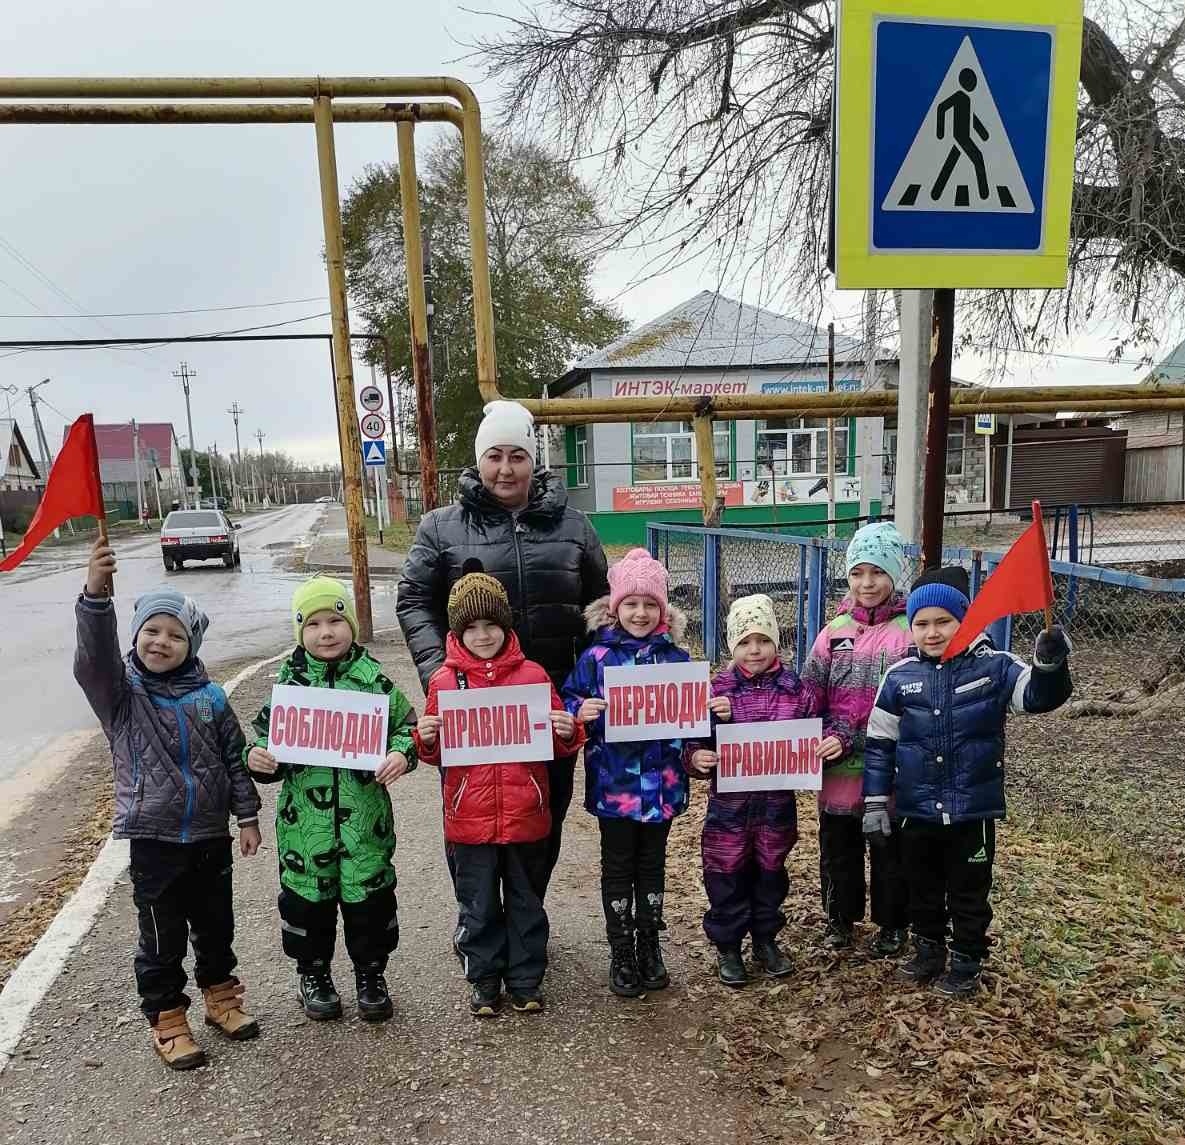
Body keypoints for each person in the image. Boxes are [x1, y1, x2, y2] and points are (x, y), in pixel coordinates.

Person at [397, 400, 609, 887]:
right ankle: (478, 921)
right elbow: (413, 601)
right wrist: (439, 674)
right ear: (479, 460)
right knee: (470, 816)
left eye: (518, 455)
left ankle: (526, 917)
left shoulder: (574, 527)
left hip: (548, 707)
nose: (506, 468)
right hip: (470, 709)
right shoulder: (440, 527)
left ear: (534, 462)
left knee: (541, 816)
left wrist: (591, 682)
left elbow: (602, 606)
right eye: (495, 456)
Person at [73, 540, 262, 1071]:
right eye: (152, 630)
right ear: (135, 636)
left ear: (192, 644)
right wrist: (94, 598)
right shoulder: (122, 695)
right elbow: (93, 661)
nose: (162, 641)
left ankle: (221, 998)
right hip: (154, 842)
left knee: (216, 925)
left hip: (210, 837)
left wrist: (246, 817)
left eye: (176, 635)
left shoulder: (212, 698)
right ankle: (168, 1018)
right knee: (161, 937)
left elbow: (234, 760)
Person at [862, 566, 1072, 997]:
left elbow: (1037, 697)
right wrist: (876, 802)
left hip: (971, 810)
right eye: (922, 623)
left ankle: (968, 957)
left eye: (944, 621)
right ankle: (929, 947)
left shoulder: (995, 667)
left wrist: (1049, 664)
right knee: (921, 884)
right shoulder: (899, 677)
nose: (932, 632)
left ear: (964, 619)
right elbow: (879, 743)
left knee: (969, 888)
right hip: (916, 810)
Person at [244, 577, 417, 1024]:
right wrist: (258, 758)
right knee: (307, 906)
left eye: (336, 620)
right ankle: (313, 974)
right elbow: (264, 741)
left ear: (351, 626)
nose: (326, 632)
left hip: (366, 823)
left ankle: (371, 974)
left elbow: (408, 728)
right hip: (305, 827)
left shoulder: (374, 681)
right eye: (314, 623)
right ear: (300, 632)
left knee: (370, 905)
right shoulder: (289, 685)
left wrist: (401, 753)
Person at [414, 569, 584, 1017]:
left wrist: (568, 730)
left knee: (527, 902)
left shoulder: (533, 675)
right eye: (471, 627)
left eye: (491, 625)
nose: (483, 635)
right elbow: (434, 754)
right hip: (469, 820)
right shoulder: (444, 683)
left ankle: (526, 980)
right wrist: (427, 738)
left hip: (526, 813)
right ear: (457, 631)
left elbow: (560, 738)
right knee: (479, 905)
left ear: (506, 626)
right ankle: (485, 982)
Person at [563, 548, 718, 997]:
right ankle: (621, 951)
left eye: (650, 604)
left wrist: (710, 719)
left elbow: (694, 725)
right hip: (616, 785)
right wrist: (580, 710)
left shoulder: (678, 659)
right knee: (617, 866)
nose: (641, 612)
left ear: (663, 609)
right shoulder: (596, 658)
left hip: (664, 785)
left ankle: (650, 944)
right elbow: (568, 700)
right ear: (615, 607)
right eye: (631, 603)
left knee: (652, 866)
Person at [685, 595, 822, 987]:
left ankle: (765, 940)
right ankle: (728, 948)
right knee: (725, 878)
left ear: (776, 641)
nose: (755, 649)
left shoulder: (797, 690)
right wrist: (698, 759)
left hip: (776, 809)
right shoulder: (717, 691)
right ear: (732, 646)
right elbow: (692, 743)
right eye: (744, 641)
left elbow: (820, 728)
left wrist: (830, 744)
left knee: (770, 876)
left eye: (762, 639)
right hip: (728, 812)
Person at [801, 522, 913, 956]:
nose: (867, 583)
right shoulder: (834, 632)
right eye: (857, 573)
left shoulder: (909, 631)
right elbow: (810, 691)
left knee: (888, 851)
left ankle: (892, 924)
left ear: (894, 574)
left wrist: (852, 737)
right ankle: (839, 919)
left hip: (889, 773)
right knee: (838, 849)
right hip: (836, 771)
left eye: (877, 572)